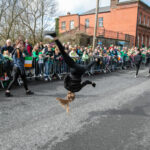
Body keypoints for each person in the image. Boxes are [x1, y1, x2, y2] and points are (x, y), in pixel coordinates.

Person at [44, 32, 98, 112]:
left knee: (88, 67)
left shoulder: (78, 89)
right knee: (63, 52)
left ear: (74, 95)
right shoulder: (66, 87)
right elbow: (66, 77)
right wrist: (70, 72)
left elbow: (86, 82)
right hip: (74, 69)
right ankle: (55, 37)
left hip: (81, 71)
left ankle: (96, 60)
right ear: (68, 94)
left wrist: (92, 83)